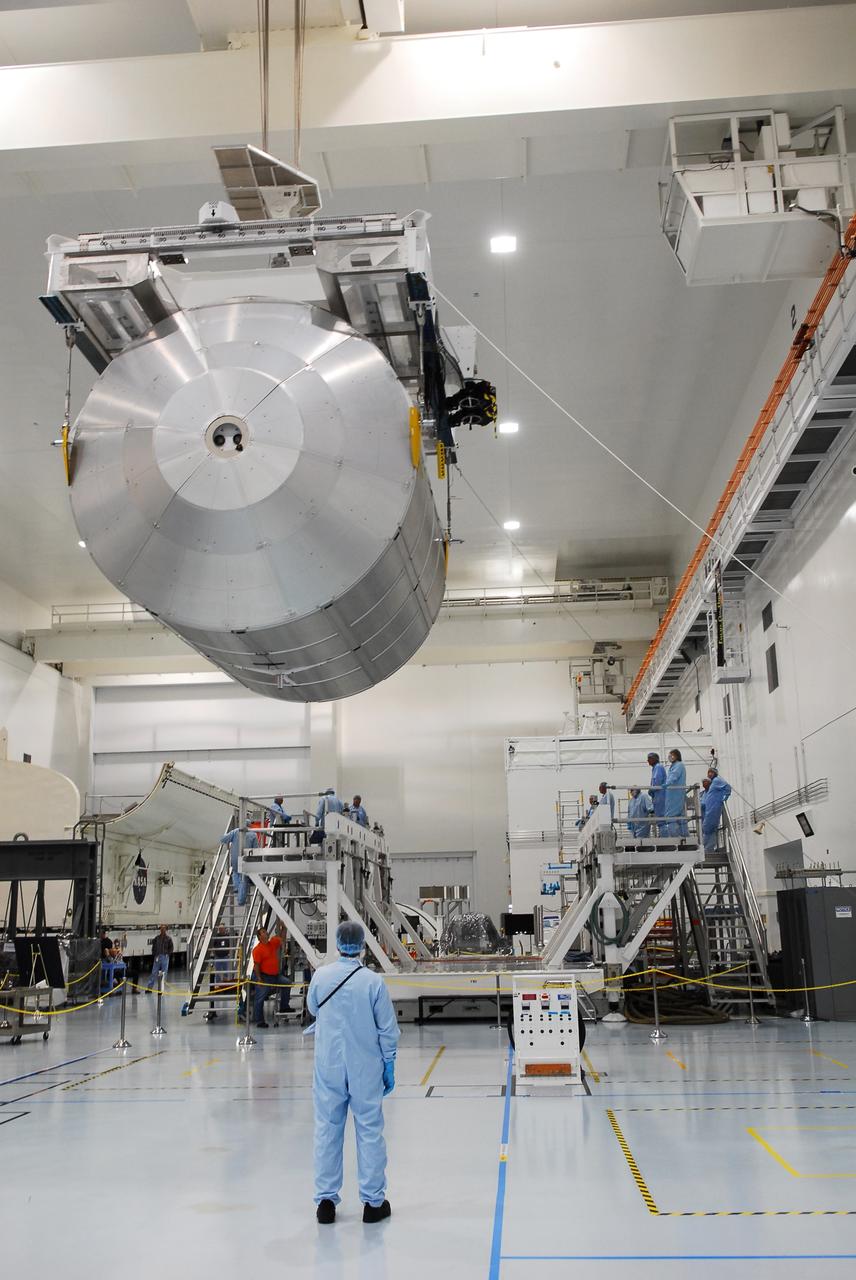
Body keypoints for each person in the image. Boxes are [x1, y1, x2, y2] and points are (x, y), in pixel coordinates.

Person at [308, 921, 399, 1225]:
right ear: (362, 946)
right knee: (369, 1131)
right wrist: (389, 1064)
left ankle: (325, 1202)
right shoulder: (373, 982)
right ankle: (373, 1204)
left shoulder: (321, 977)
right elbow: (387, 1029)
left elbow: (312, 1008)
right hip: (365, 1067)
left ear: (337, 944)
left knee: (327, 1130)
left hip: (329, 1065)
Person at [249, 923, 287, 1028]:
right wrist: (259, 979)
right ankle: (259, 1021)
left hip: (275, 975)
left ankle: (284, 1006)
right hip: (264, 976)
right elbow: (256, 966)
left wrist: (284, 928)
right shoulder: (257, 950)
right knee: (260, 998)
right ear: (260, 937)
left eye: (266, 931)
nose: (266, 933)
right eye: (264, 932)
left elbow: (282, 939)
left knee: (287, 983)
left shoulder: (272, 943)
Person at [220, 821, 259, 907]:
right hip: (246, 860)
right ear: (249, 826)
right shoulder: (253, 834)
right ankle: (241, 901)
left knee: (235, 873)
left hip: (234, 859)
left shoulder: (235, 831)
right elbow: (256, 850)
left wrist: (231, 843)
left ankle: (237, 888)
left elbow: (223, 839)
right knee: (244, 878)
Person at [702, 768, 732, 854]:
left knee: (708, 827)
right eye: (709, 772)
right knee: (709, 829)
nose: (710, 774)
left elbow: (728, 787)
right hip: (710, 808)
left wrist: (725, 797)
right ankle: (708, 848)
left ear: (715, 773)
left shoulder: (717, 780)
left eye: (711, 772)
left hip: (714, 808)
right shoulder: (713, 783)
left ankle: (707, 848)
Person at [662, 748, 688, 838]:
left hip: (675, 795)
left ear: (677, 756)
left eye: (672, 755)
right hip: (674, 794)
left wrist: (667, 784)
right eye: (669, 755)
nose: (670, 757)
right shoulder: (674, 766)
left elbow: (674, 776)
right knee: (680, 817)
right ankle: (685, 837)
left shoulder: (679, 765)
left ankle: (676, 838)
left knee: (671, 816)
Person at [208, 923, 231, 1019]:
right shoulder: (216, 937)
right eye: (220, 929)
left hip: (225, 956)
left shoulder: (227, 937)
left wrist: (229, 952)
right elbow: (214, 946)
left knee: (225, 972)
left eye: (223, 929)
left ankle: (225, 985)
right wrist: (214, 954)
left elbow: (229, 945)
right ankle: (217, 986)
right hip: (218, 957)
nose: (222, 930)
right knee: (217, 972)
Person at [145, 924, 174, 992]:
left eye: (164, 929)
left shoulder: (169, 939)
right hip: (157, 957)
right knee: (154, 972)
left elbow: (171, 948)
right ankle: (149, 988)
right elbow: (153, 947)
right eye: (161, 928)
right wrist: (155, 955)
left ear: (166, 930)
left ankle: (162, 988)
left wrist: (168, 954)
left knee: (164, 973)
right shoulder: (156, 938)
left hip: (165, 957)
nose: (162, 930)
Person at [647, 752, 667, 835]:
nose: (648, 760)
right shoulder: (655, 768)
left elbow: (657, 782)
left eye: (650, 758)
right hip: (658, 797)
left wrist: (651, 790)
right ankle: (663, 837)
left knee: (662, 820)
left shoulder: (658, 767)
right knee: (660, 820)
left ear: (655, 759)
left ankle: (665, 840)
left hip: (660, 796)